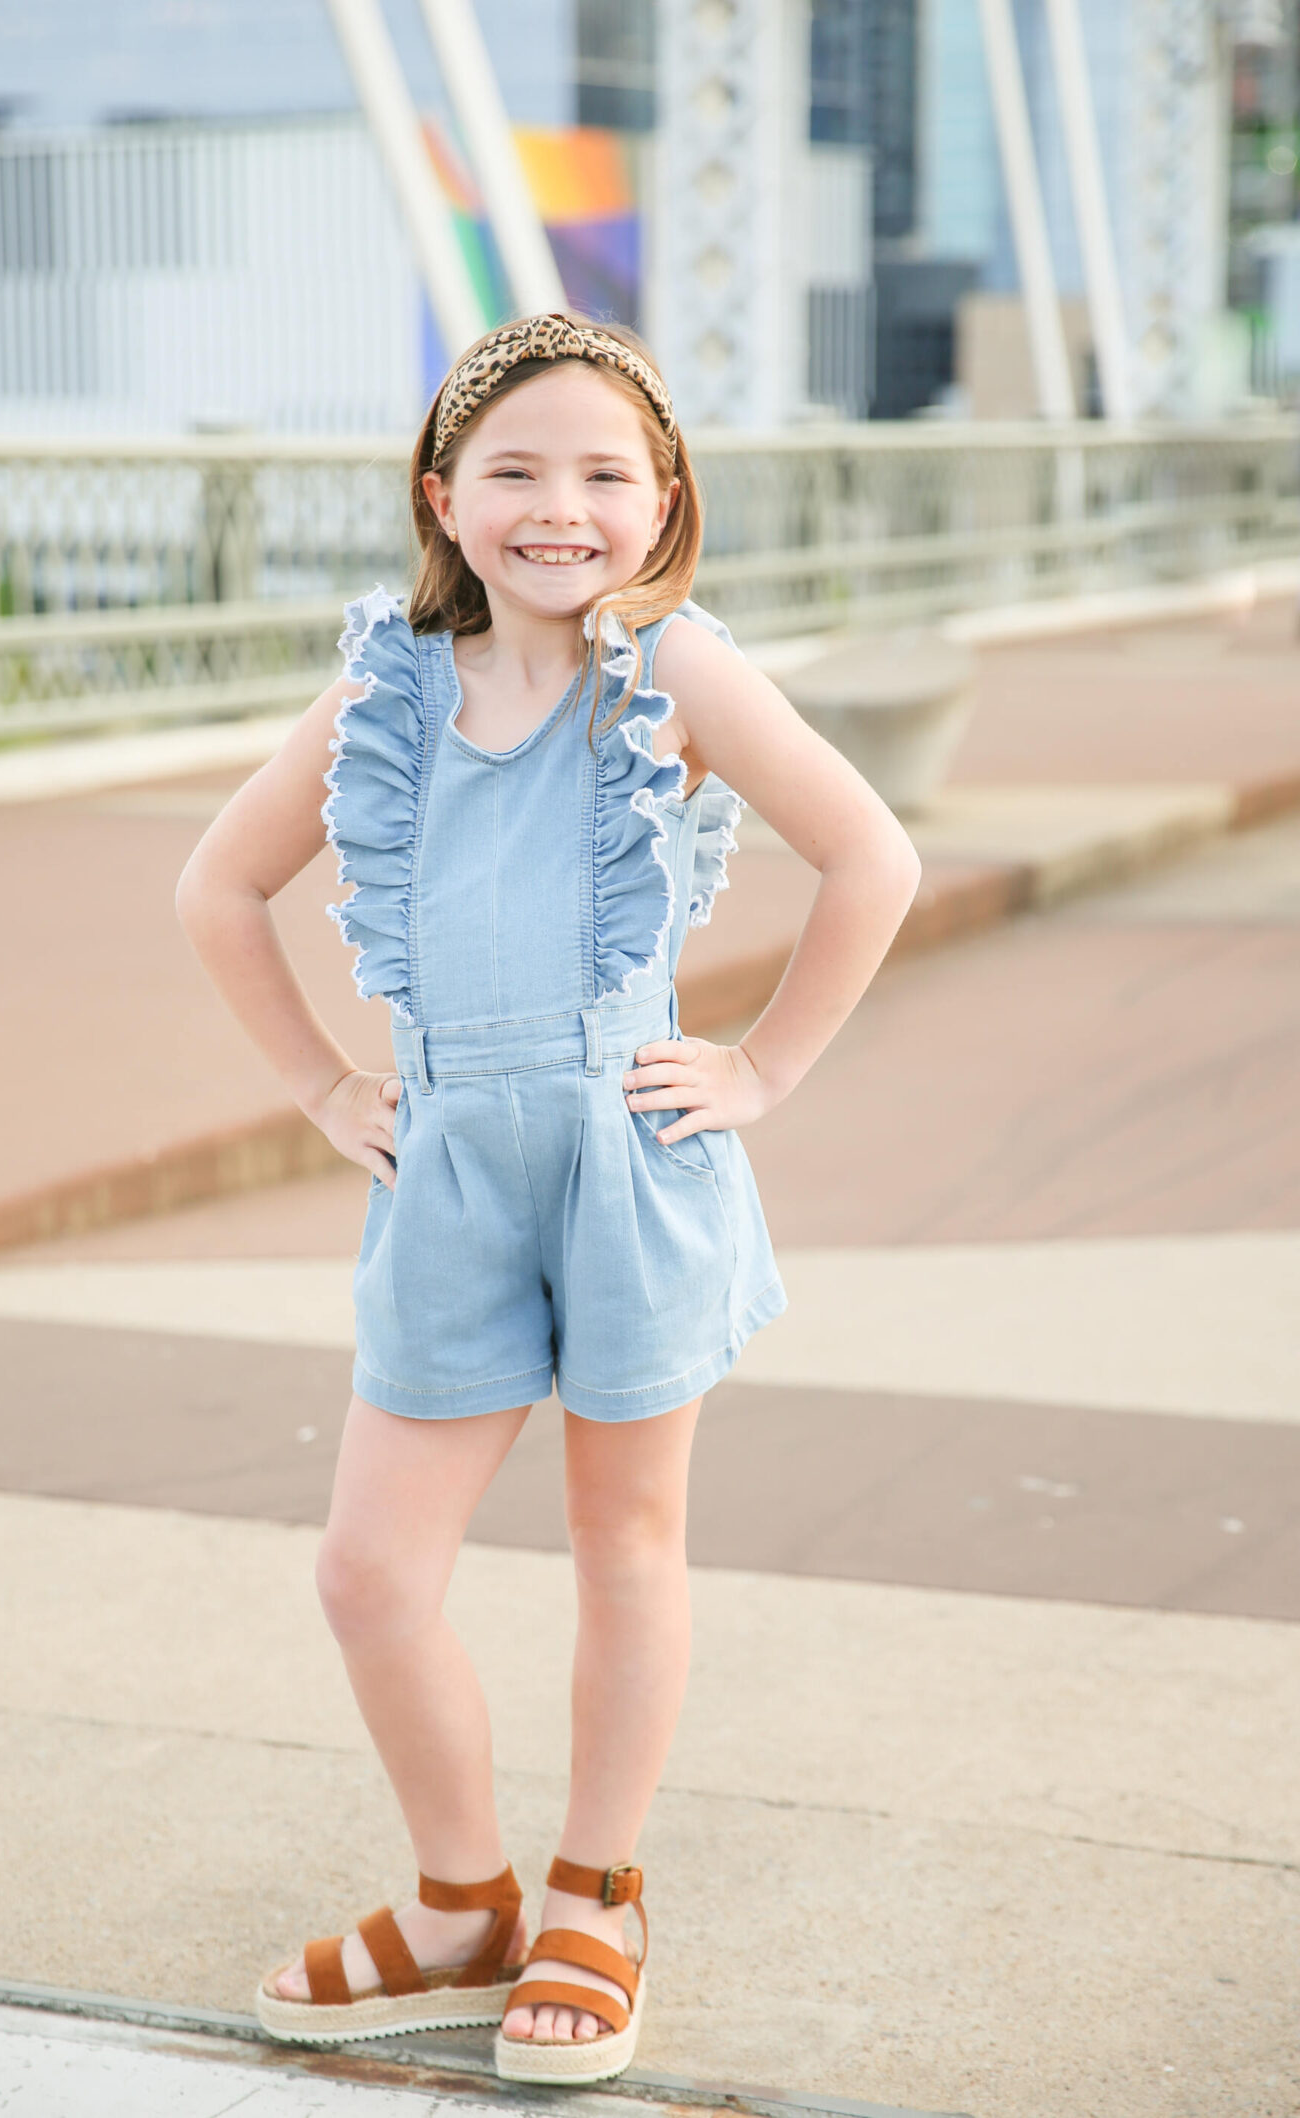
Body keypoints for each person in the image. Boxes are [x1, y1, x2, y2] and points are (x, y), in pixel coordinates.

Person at [175, 310, 921, 2087]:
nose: (558, 507)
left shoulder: (679, 674)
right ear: (445, 498)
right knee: (370, 1570)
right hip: (445, 1163)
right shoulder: (387, 687)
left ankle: (597, 1888)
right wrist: (324, 1085)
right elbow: (219, 885)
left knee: (622, 1541)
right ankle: (461, 1904)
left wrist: (759, 1069)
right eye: (514, 470)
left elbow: (871, 853)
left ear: (662, 503)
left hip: (626, 1149)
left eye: (604, 473)